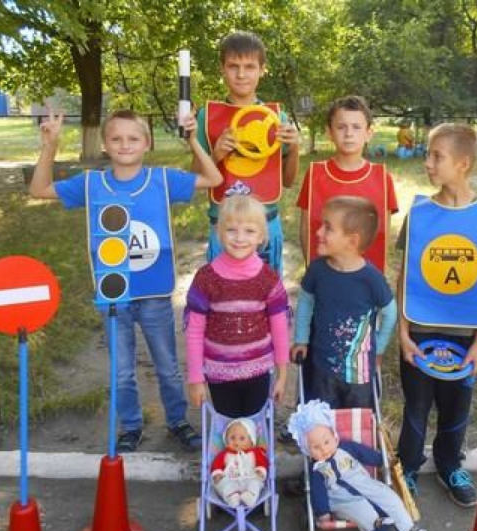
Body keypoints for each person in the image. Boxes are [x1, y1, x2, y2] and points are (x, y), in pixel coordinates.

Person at [29, 108, 223, 453]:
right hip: (113, 294)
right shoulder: (91, 183)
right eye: (116, 138)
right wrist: (50, 146)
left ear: (147, 143)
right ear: (104, 144)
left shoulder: (162, 179)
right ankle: (131, 427)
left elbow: (213, 179)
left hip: (154, 293)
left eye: (133, 138)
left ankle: (177, 420)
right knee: (122, 371)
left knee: (167, 365)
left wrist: (193, 139)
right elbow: (39, 189)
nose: (124, 144)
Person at [396, 123, 477, 507]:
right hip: (421, 331)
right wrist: (403, 334)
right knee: (416, 407)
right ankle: (407, 467)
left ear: (462, 163)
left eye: (436, 156)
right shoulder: (419, 214)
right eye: (427, 154)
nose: (427, 162)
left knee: (456, 408)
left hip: (466, 336)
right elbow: (405, 277)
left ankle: (449, 464)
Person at [191, 30, 300, 275]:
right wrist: (216, 154)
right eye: (233, 66)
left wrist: (294, 148)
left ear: (262, 70)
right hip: (224, 227)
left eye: (250, 66)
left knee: (268, 299)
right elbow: (195, 179)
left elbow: (289, 181)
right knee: (223, 300)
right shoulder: (207, 118)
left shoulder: (275, 118)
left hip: (266, 225)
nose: (241, 74)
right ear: (222, 69)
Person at [184, 194, 289, 418]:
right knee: (228, 434)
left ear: (261, 236)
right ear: (219, 233)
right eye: (231, 230)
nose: (240, 238)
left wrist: (282, 374)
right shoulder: (206, 278)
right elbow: (194, 331)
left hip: (259, 371)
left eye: (249, 231)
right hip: (218, 373)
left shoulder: (268, 278)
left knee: (256, 432)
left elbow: (280, 327)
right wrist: (196, 379)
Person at [290, 196, 397, 409]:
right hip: (322, 369)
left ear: (352, 241)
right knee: (322, 421)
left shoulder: (371, 279)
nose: (319, 232)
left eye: (328, 228)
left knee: (355, 426)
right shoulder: (317, 270)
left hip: (359, 374)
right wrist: (301, 339)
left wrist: (379, 348)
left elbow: (390, 313)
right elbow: (305, 304)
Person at [288, 400, 428, 531]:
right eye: (316, 448)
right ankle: (376, 526)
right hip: (341, 499)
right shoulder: (317, 469)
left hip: (365, 484)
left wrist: (382, 460)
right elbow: (319, 493)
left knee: (390, 497)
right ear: (307, 451)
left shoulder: (346, 448)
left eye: (326, 442)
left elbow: (364, 454)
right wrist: (323, 512)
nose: (323, 449)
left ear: (334, 438)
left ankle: (409, 530)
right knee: (360, 509)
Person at [296, 95, 398, 273]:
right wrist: (312, 270)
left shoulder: (382, 177)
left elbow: (383, 233)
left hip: (365, 280)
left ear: (368, 133)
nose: (349, 134)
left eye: (357, 127)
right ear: (329, 133)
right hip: (324, 276)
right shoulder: (315, 174)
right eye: (341, 127)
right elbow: (306, 228)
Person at [211, 417, 268, 508]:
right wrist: (217, 473)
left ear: (251, 441)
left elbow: (263, 462)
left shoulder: (255, 452)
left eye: (242, 438)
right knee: (221, 483)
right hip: (230, 479)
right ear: (226, 439)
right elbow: (216, 465)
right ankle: (232, 497)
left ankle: (250, 495)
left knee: (256, 482)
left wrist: (261, 470)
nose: (236, 442)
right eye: (232, 438)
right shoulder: (224, 454)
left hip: (250, 478)